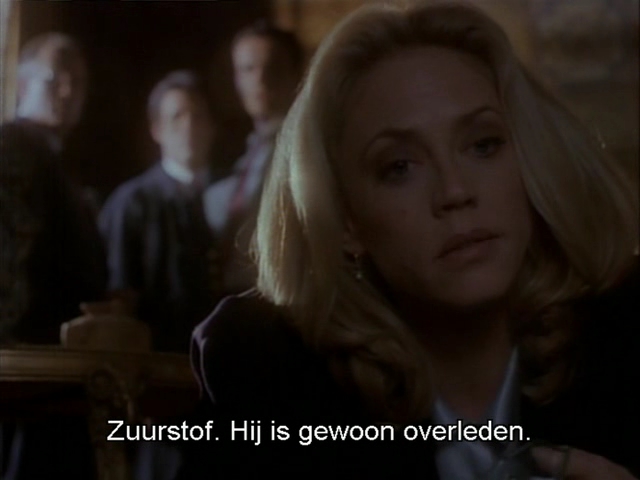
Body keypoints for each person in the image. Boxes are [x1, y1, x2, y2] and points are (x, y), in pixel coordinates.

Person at [182, 2, 639, 479]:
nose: (455, 192)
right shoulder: (269, 375)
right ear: (345, 222)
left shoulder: (625, 333)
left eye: (483, 145)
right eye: (398, 167)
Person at [0, 32, 106, 480]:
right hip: (29, 376)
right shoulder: (13, 146)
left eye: (78, 81)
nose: (67, 90)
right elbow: (13, 264)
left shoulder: (57, 161)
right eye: (56, 76)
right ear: (23, 83)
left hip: (58, 374)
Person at [99, 70, 217, 354]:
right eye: (177, 117)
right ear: (157, 130)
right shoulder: (132, 203)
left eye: (198, 116)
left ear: (212, 126)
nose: (189, 126)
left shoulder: (232, 195)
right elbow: (120, 296)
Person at [202, 20, 304, 299]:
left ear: (296, 73)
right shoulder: (244, 153)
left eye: (273, 68)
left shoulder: (305, 148)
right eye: (247, 69)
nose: (260, 79)